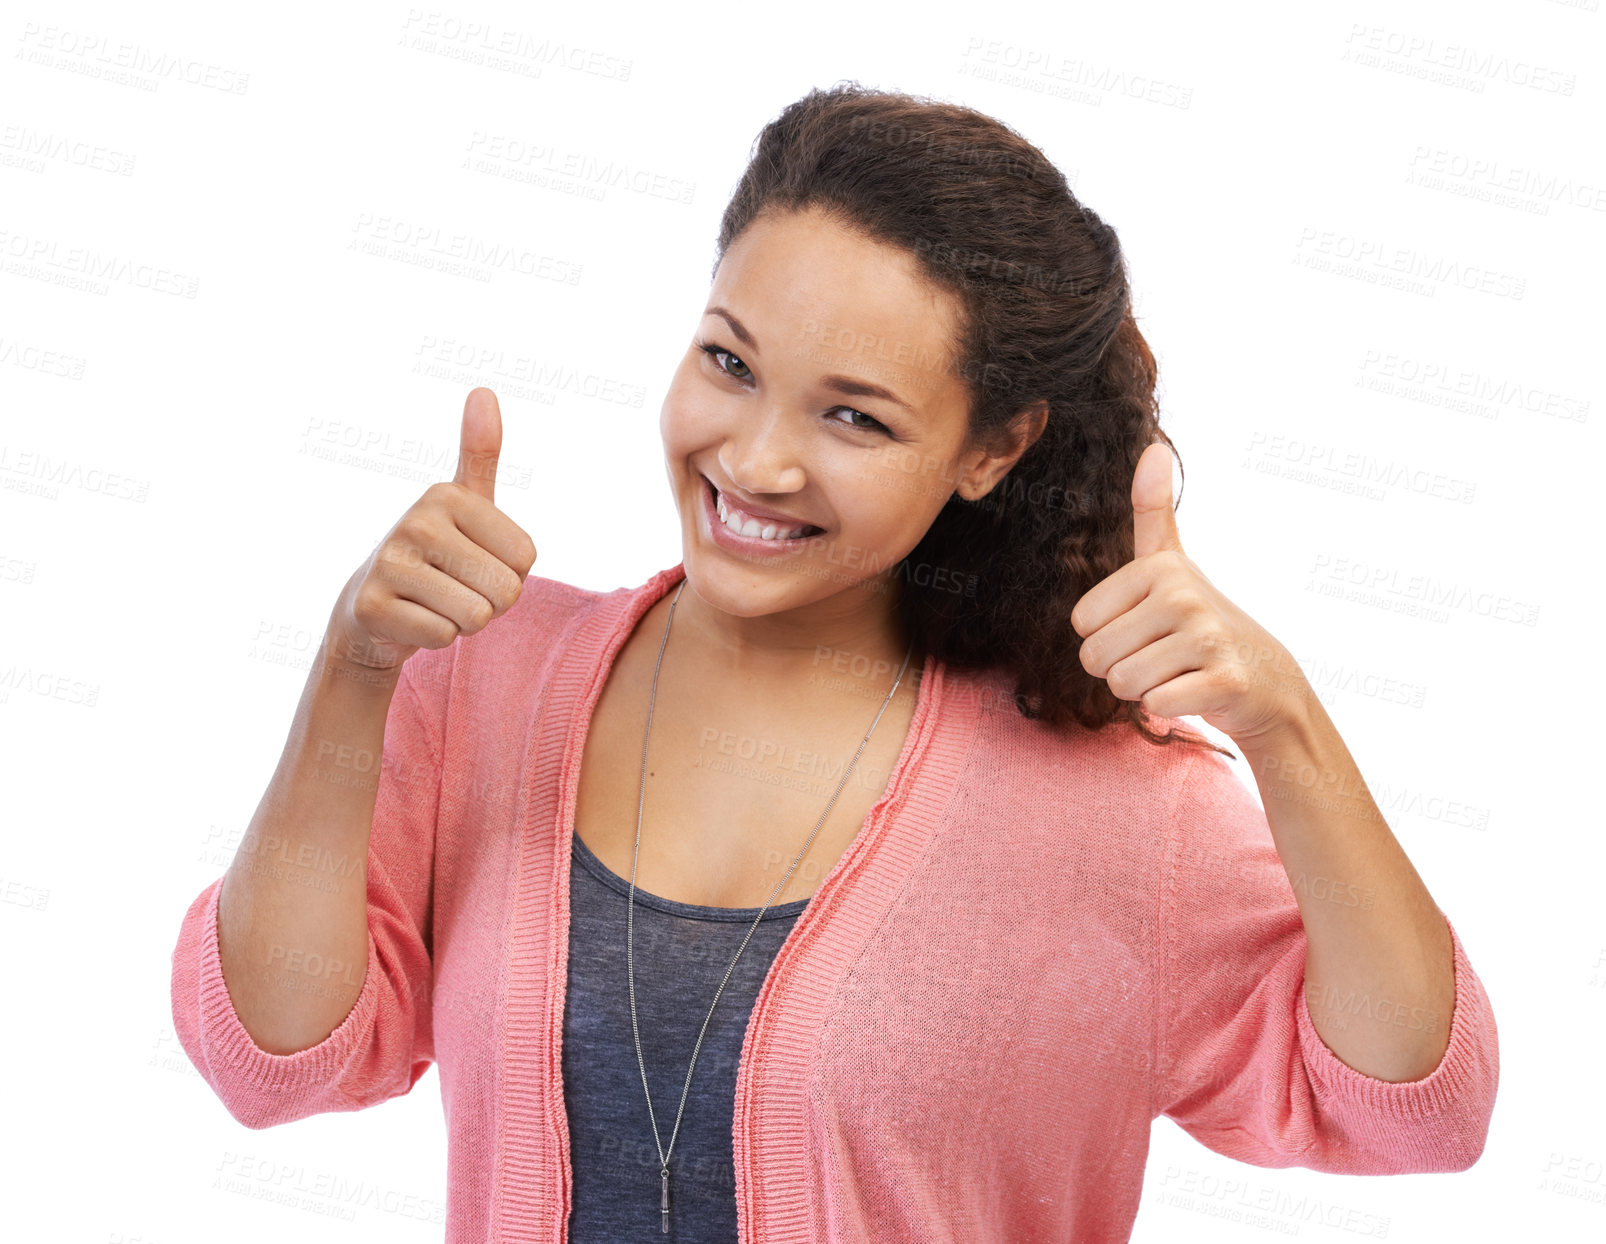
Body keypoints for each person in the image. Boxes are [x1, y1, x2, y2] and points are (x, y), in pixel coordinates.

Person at [170, 82, 1499, 1243]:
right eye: (728, 363)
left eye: (853, 416)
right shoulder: (483, 678)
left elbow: (1409, 1111)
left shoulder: (1115, 808)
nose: (755, 460)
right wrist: (354, 665)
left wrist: (1285, 731)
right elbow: (272, 1061)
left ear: (992, 448)